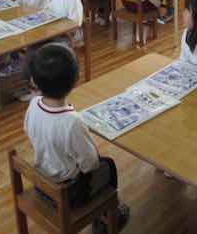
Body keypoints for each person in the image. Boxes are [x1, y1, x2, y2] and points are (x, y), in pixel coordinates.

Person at [24, 44, 130, 234]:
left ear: (35, 81)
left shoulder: (33, 104)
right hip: (68, 194)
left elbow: (28, 130)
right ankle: (109, 217)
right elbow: (90, 164)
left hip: (41, 186)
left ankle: (106, 215)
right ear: (75, 80)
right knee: (108, 166)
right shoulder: (72, 122)